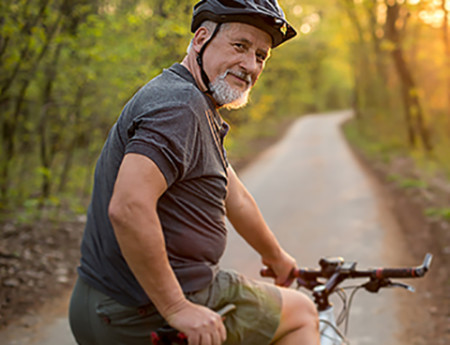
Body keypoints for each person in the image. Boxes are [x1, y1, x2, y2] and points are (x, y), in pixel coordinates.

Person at [69, 1, 320, 344]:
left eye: (261, 56)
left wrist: (277, 258)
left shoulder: (192, 103)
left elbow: (236, 197)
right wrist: (176, 307)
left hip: (104, 302)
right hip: (142, 311)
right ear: (201, 38)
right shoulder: (181, 107)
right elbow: (128, 208)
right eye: (240, 46)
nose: (250, 65)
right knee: (301, 315)